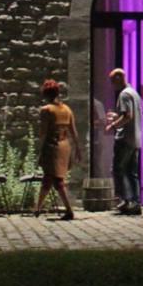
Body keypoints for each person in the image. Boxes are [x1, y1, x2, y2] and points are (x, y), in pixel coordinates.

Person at [34, 79, 81, 220]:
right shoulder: (67, 109)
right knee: (49, 178)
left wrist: (40, 151)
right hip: (65, 145)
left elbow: (43, 133)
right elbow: (74, 131)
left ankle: (68, 209)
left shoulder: (46, 110)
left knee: (57, 179)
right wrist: (77, 149)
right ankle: (37, 208)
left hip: (52, 146)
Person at [103, 68, 143, 216]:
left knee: (119, 169)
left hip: (125, 138)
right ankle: (136, 202)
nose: (111, 85)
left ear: (119, 79)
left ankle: (126, 200)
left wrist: (112, 125)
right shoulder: (134, 93)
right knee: (132, 172)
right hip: (136, 139)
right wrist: (116, 116)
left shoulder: (124, 94)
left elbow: (127, 116)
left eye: (112, 81)